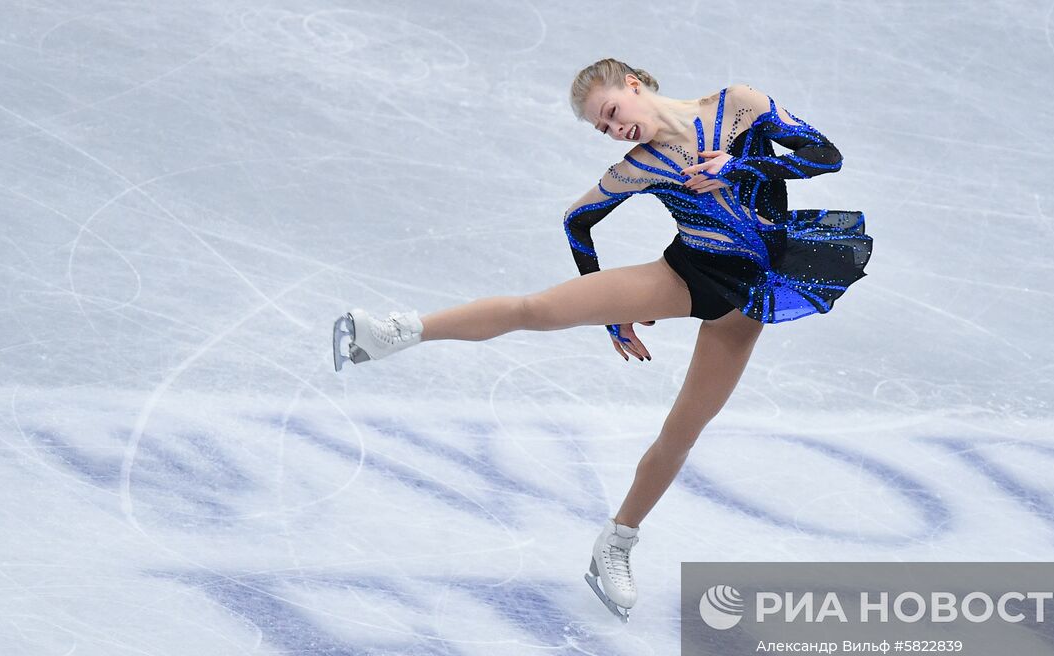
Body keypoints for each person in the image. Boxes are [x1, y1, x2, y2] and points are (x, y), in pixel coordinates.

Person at [332, 58, 872, 622]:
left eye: (612, 113)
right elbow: (577, 219)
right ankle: (393, 333)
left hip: (750, 296)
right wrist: (613, 316)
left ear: (634, 86)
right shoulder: (638, 166)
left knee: (682, 432)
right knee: (536, 310)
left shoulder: (738, 104)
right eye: (603, 129)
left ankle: (615, 543)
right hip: (684, 277)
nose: (614, 130)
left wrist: (740, 167)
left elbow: (823, 156)